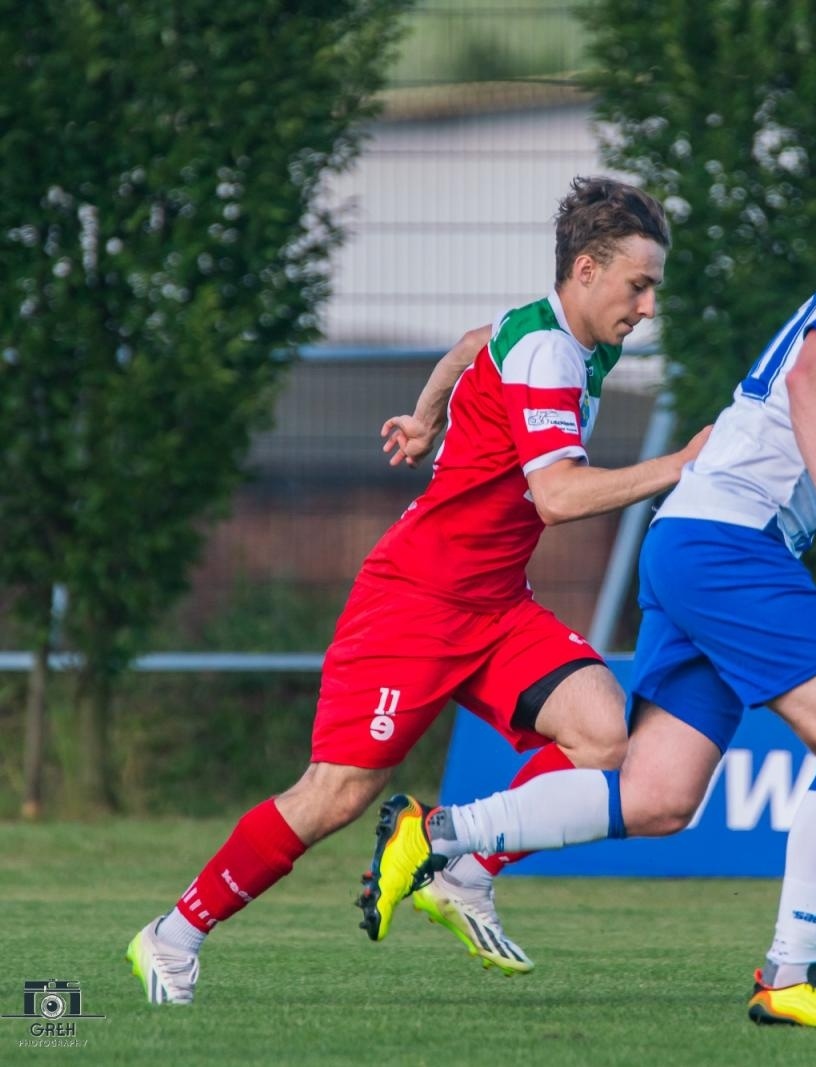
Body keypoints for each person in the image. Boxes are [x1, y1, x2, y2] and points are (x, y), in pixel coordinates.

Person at [362, 145, 816, 1030]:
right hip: (733, 545)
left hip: (691, 537)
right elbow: (812, 376)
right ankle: (791, 972)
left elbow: (795, 410)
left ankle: (440, 835)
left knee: (660, 795)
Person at [126, 177, 709, 1005]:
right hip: (416, 603)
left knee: (603, 734)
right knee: (336, 793)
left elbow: (475, 340)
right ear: (585, 269)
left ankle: (461, 866)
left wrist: (426, 414)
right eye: (638, 285)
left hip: (496, 603)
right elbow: (560, 497)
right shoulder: (549, 351)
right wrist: (679, 465)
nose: (648, 306)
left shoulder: (553, 328)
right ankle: (172, 934)